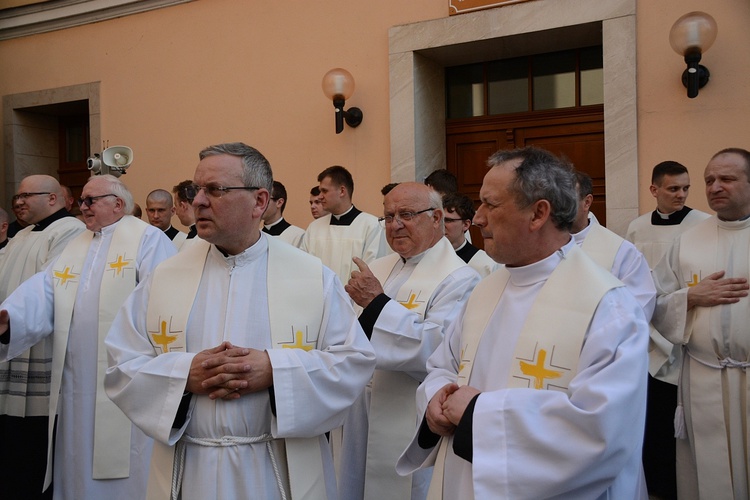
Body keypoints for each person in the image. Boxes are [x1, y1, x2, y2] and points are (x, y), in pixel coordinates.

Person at [105, 142, 375, 500]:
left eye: (214, 190)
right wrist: (185, 374)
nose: (198, 200)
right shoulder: (165, 276)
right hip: (189, 470)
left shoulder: (311, 276)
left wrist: (276, 371)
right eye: (196, 190)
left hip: (276, 471)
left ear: (260, 202)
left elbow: (354, 362)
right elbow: (121, 364)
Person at [396, 146, 649, 499]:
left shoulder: (607, 306)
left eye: (490, 204)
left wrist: (476, 413)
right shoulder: (485, 290)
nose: (478, 218)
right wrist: (436, 400)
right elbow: (444, 365)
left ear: (538, 213)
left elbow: (601, 429)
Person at [0, 174, 176, 499]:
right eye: (81, 201)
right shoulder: (76, 245)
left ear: (118, 205)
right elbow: (45, 291)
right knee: (77, 455)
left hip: (127, 378)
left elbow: (163, 299)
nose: (82, 207)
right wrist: (11, 317)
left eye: (90, 200)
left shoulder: (147, 240)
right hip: (75, 381)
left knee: (128, 464)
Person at [342, 182, 480, 500]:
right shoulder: (377, 268)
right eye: (388, 216)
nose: (395, 224)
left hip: (408, 416)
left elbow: (437, 350)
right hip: (359, 414)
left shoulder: (460, 278)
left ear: (436, 218)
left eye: (406, 214)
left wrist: (377, 304)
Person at [651, 147, 750, 500]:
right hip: (702, 374)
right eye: (709, 180)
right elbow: (653, 305)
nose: (714, 187)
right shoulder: (687, 241)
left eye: (726, 179)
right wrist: (689, 297)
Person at [625, 160, 710, 499]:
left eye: (686, 188)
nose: (682, 194)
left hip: (688, 337)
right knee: (654, 428)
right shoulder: (636, 228)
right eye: (673, 188)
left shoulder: (703, 226)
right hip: (646, 339)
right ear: (654, 190)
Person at [0, 175, 86, 499]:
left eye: (26, 195)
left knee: (34, 446)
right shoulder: (21, 236)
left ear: (52, 199)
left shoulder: (70, 232)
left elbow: (52, 291)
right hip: (10, 345)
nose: (19, 202)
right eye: (16, 196)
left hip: (40, 348)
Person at [571, 171, 655, 317]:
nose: (557, 206)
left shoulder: (622, 252)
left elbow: (640, 305)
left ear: (587, 202)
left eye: (566, 199)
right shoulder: (540, 246)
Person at [301, 165, 388, 283]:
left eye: (324, 191)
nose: (320, 196)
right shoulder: (314, 228)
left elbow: (373, 271)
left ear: (342, 191)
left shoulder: (371, 226)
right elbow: (303, 267)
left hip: (355, 300)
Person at [441, 192, 499, 278]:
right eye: (438, 220)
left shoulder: (486, 264)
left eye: (448, 220)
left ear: (466, 225)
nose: (441, 226)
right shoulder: (429, 259)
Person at [261, 180, 305, 247]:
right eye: (259, 200)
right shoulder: (255, 236)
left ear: (279, 203)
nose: (260, 205)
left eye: (265, 200)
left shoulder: (298, 235)